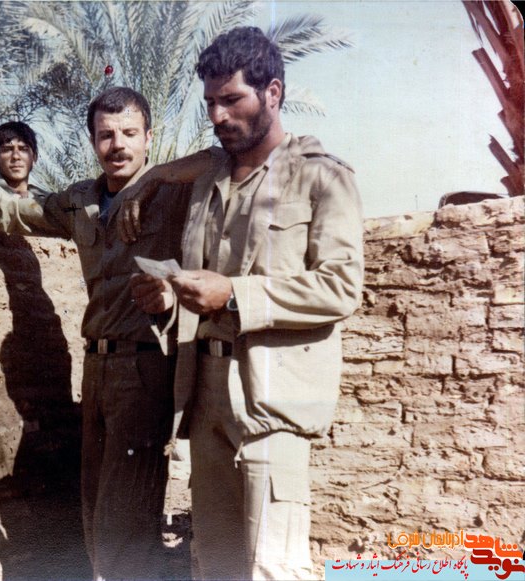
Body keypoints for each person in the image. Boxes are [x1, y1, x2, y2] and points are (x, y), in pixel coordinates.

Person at [123, 26, 364, 580]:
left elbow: (340, 287)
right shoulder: (208, 181)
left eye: (231, 99)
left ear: (272, 92)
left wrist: (234, 294)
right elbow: (199, 284)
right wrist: (166, 300)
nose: (218, 115)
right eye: (210, 102)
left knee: (273, 566)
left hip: (271, 400)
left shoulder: (321, 175)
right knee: (215, 563)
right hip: (204, 396)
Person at [0, 87, 191, 580]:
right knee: (94, 507)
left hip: (145, 366)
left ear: (149, 137)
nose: (117, 145)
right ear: (93, 141)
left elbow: (223, 169)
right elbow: (18, 212)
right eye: (106, 134)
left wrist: (158, 179)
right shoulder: (81, 201)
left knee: (127, 513)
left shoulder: (175, 194)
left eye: (129, 133)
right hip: (95, 367)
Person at [0, 120, 45, 198]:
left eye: (23, 149)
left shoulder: (48, 201)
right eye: (7, 149)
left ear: (34, 157)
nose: (16, 156)